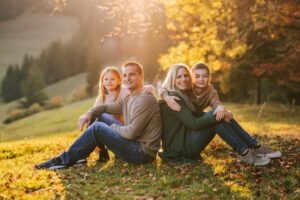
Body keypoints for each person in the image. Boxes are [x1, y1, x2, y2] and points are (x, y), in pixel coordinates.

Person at [35, 61, 162, 170]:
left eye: (132, 74)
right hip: (133, 143)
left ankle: (63, 160)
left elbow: (131, 133)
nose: (127, 78)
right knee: (101, 116)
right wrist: (89, 113)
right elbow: (105, 108)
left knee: (97, 128)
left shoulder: (145, 99)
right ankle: (80, 156)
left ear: (141, 75)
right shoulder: (129, 97)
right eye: (125, 75)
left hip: (141, 153)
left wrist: (112, 128)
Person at [160, 62, 282, 159]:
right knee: (217, 118)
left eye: (186, 76)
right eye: (179, 77)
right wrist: (164, 95)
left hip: (187, 139)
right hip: (180, 148)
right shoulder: (174, 97)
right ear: (173, 79)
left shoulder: (186, 93)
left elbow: (212, 105)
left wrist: (221, 110)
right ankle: (248, 150)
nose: (184, 79)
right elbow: (193, 123)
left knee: (217, 115)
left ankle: (251, 148)